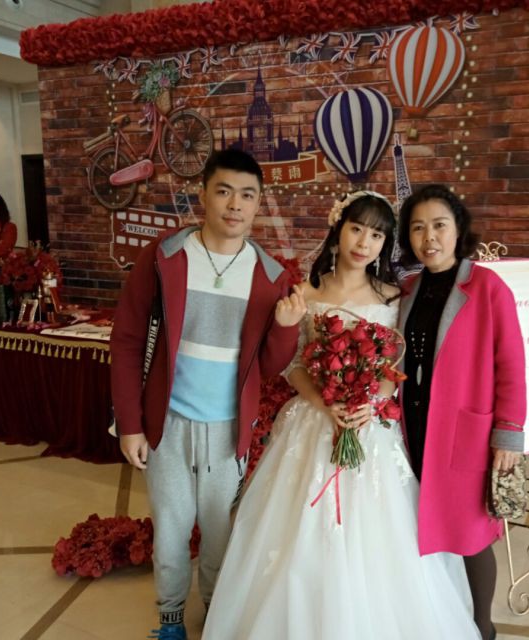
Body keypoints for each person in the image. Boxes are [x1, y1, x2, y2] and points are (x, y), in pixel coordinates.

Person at [202, 191, 480, 640]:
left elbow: (395, 364)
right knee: (298, 529)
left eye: (377, 235)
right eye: (356, 229)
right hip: (314, 421)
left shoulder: (393, 296)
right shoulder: (306, 292)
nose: (364, 243)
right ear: (338, 231)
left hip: (370, 425)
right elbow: (293, 364)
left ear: (385, 244)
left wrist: (371, 402)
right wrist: (324, 402)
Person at [110, 149, 304, 640]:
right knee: (171, 533)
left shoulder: (269, 276)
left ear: (258, 204)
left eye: (247, 195)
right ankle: (171, 620)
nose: (235, 205)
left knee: (220, 534)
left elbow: (269, 367)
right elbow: (128, 339)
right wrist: (130, 424)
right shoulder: (165, 257)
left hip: (227, 431)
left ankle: (217, 616)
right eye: (224, 191)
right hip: (167, 425)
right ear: (203, 195)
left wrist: (286, 329)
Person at [397, 184, 527, 640]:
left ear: (458, 230)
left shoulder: (487, 287)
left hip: (464, 430)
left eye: (439, 225)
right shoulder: (408, 289)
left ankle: (482, 628)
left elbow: (512, 364)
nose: (428, 237)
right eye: (417, 228)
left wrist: (509, 433)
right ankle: (437, 617)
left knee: (472, 535)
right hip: (413, 423)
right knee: (421, 524)